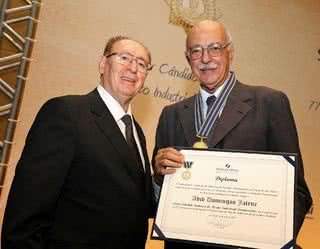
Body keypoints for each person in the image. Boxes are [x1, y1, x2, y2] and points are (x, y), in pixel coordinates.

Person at [152, 20, 312, 249]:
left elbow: (297, 192)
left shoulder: (269, 103)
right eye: (196, 51)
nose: (206, 59)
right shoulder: (171, 114)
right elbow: (160, 198)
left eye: (215, 48)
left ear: (230, 52)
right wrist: (159, 178)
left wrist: (271, 240)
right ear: (188, 59)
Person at [2, 36, 155, 249]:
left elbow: (134, 202)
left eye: (142, 64)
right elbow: (26, 212)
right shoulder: (66, 113)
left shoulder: (136, 131)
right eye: (124, 58)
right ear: (102, 64)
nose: (133, 68)